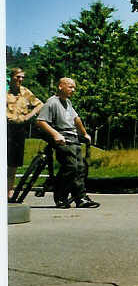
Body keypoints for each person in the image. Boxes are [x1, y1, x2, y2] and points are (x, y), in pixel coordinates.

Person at [36, 77, 99, 208]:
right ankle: (60, 197)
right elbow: (40, 121)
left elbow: (76, 119)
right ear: (60, 86)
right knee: (71, 167)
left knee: (81, 168)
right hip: (62, 138)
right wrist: (56, 134)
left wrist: (84, 133)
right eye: (70, 87)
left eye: (74, 87)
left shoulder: (68, 103)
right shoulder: (51, 102)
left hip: (73, 138)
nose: (73, 90)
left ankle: (80, 198)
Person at [6, 68, 44, 199]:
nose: (20, 80)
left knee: (13, 163)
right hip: (6, 127)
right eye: (17, 77)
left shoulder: (25, 92)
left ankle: (9, 190)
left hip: (19, 129)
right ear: (11, 77)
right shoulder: (5, 91)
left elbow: (39, 105)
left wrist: (29, 116)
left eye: (22, 77)